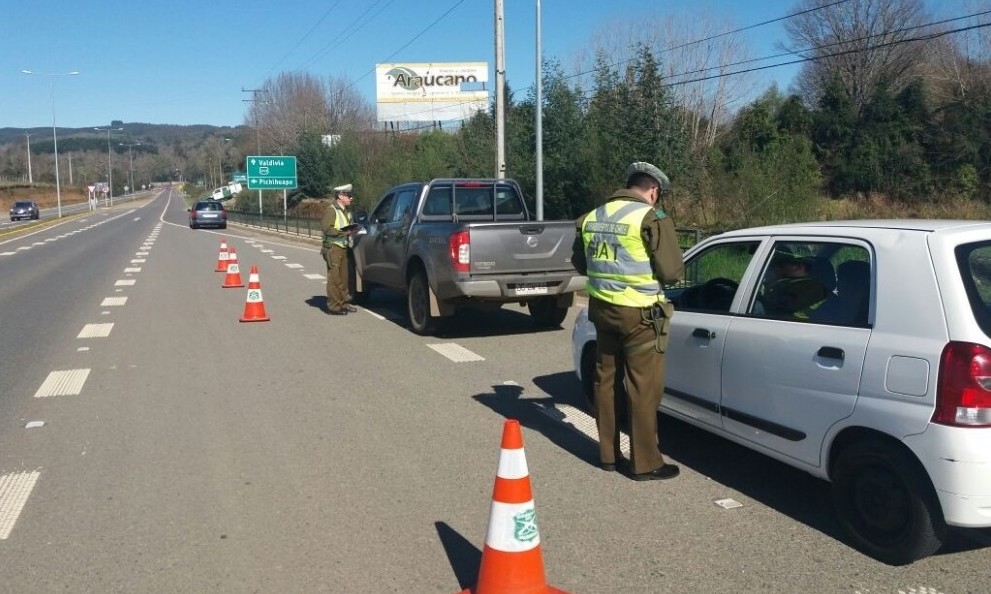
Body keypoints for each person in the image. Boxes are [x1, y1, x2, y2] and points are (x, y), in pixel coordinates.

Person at [572, 161, 685, 481]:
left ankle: (607, 455)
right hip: (640, 317)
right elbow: (672, 272)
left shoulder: (592, 217)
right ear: (653, 191)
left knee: (605, 382)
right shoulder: (651, 217)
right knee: (642, 388)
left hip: (603, 311)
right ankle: (645, 463)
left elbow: (581, 264)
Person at [321, 183, 358, 316]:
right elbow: (327, 229)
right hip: (333, 248)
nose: (351, 198)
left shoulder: (346, 211)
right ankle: (334, 307)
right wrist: (345, 233)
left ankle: (343, 304)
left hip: (343, 247)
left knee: (344, 278)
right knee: (334, 278)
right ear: (340, 196)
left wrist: (354, 230)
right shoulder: (331, 210)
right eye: (349, 196)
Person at [762, 249, 830, 319]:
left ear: (799, 267)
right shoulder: (795, 283)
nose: (776, 270)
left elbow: (783, 310)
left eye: (781, 266)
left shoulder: (813, 288)